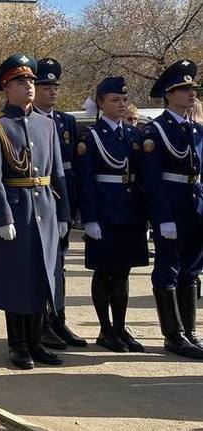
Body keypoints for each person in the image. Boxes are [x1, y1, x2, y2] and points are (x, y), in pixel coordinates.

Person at [0, 53, 71, 370]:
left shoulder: (47, 125)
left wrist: (62, 215)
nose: (29, 86)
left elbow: (57, 175)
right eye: (21, 81)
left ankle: (36, 341)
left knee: (41, 279)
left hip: (44, 207)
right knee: (17, 281)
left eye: (31, 80)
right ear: (6, 88)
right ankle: (18, 345)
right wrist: (2, 217)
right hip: (16, 214)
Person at [75, 77, 148, 353]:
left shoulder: (132, 134)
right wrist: (90, 218)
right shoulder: (91, 137)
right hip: (105, 213)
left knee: (123, 273)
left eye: (124, 100)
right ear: (101, 103)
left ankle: (120, 327)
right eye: (115, 100)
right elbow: (86, 181)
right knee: (104, 272)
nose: (121, 104)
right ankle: (105, 329)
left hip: (130, 212)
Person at [142, 59, 203, 359]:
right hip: (172, 203)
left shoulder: (196, 130)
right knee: (168, 269)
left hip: (195, 203)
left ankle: (189, 331)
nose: (190, 93)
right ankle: (173, 334)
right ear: (168, 94)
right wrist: (162, 217)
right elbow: (152, 181)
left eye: (192, 88)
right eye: (183, 88)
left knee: (191, 271)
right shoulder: (156, 131)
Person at [32, 58, 87, 349]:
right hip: (40, 198)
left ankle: (58, 320)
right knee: (42, 265)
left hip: (61, 201)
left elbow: (70, 171)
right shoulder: (28, 121)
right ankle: (41, 323)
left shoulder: (66, 121)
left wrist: (70, 208)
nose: (52, 91)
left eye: (55, 86)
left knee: (60, 265)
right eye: (45, 86)